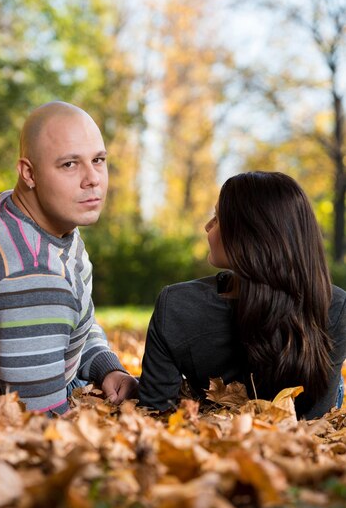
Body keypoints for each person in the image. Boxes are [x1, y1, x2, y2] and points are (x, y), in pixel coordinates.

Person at [0, 101, 138, 414]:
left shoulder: (13, 210)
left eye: (98, 159)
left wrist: (104, 366)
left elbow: (72, 311)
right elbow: (41, 422)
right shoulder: (33, 273)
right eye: (69, 165)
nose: (92, 178)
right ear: (29, 172)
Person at [138, 171, 346, 419]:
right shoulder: (334, 306)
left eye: (217, 218)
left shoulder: (176, 304)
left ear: (249, 236)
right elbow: (317, 419)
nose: (207, 226)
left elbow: (155, 409)